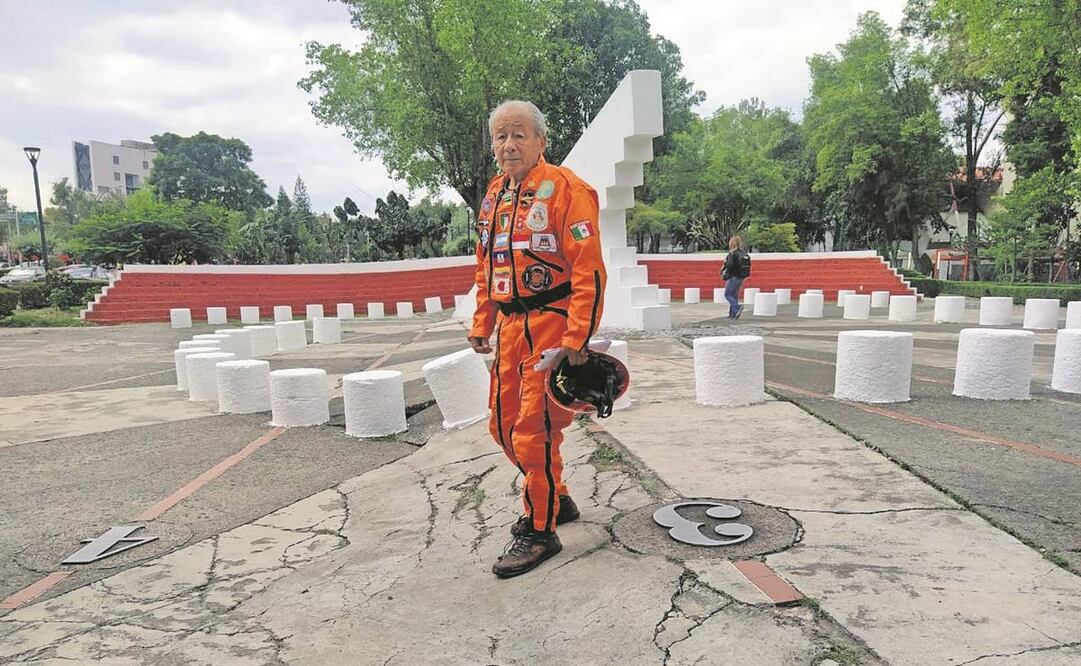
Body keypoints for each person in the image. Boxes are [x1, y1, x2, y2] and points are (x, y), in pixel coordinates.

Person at [468, 100, 606, 578]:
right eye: (500, 137)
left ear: (541, 141)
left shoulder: (569, 191)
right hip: (509, 330)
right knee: (502, 427)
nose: (508, 145)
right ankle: (558, 497)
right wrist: (481, 321)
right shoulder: (494, 196)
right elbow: (487, 266)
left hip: (551, 327)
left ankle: (540, 529)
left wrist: (577, 338)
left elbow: (589, 270)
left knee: (534, 432)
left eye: (519, 134)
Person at [722, 236, 749, 319]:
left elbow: (729, 265)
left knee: (728, 294)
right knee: (734, 295)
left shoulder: (732, 253)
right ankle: (733, 314)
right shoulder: (743, 253)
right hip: (741, 277)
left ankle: (737, 307)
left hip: (733, 276)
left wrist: (725, 264)